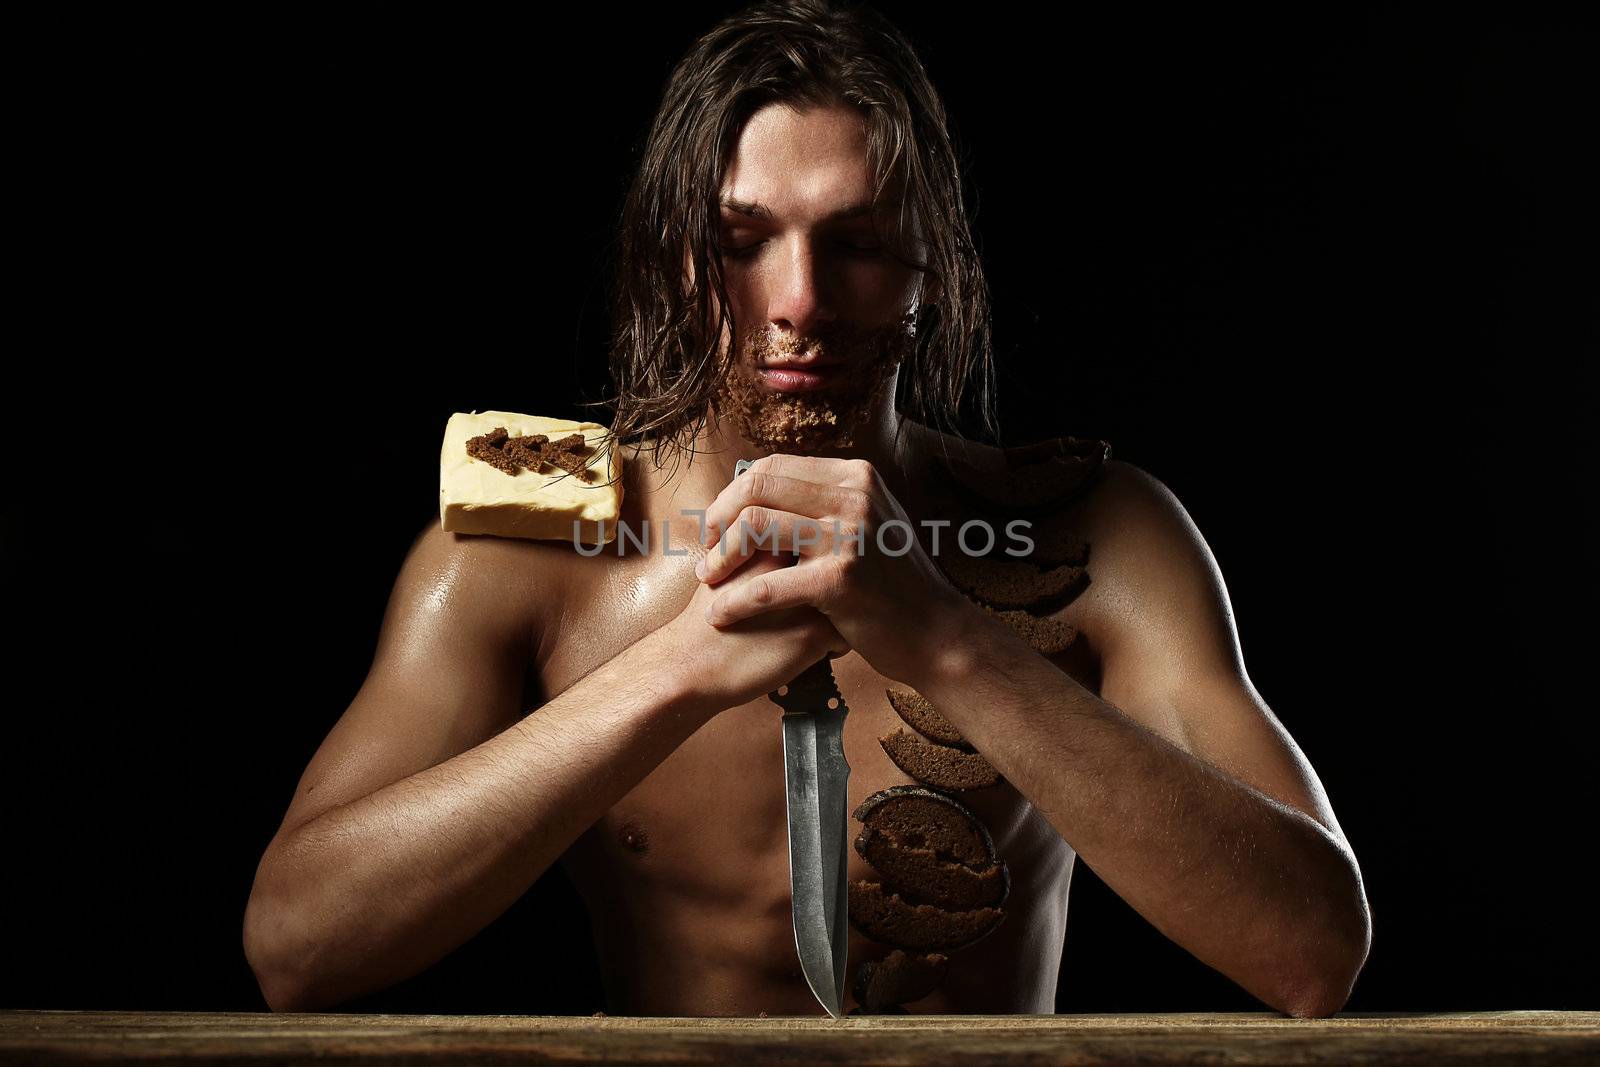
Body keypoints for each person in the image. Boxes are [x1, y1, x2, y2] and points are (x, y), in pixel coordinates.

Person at [243, 0, 1370, 1017]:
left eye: (861, 244)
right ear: (667, 260)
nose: (799, 304)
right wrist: (681, 662)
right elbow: (296, 946)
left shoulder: (1102, 534)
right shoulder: (523, 548)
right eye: (739, 243)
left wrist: (947, 637)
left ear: (931, 265)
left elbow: (1313, 950)